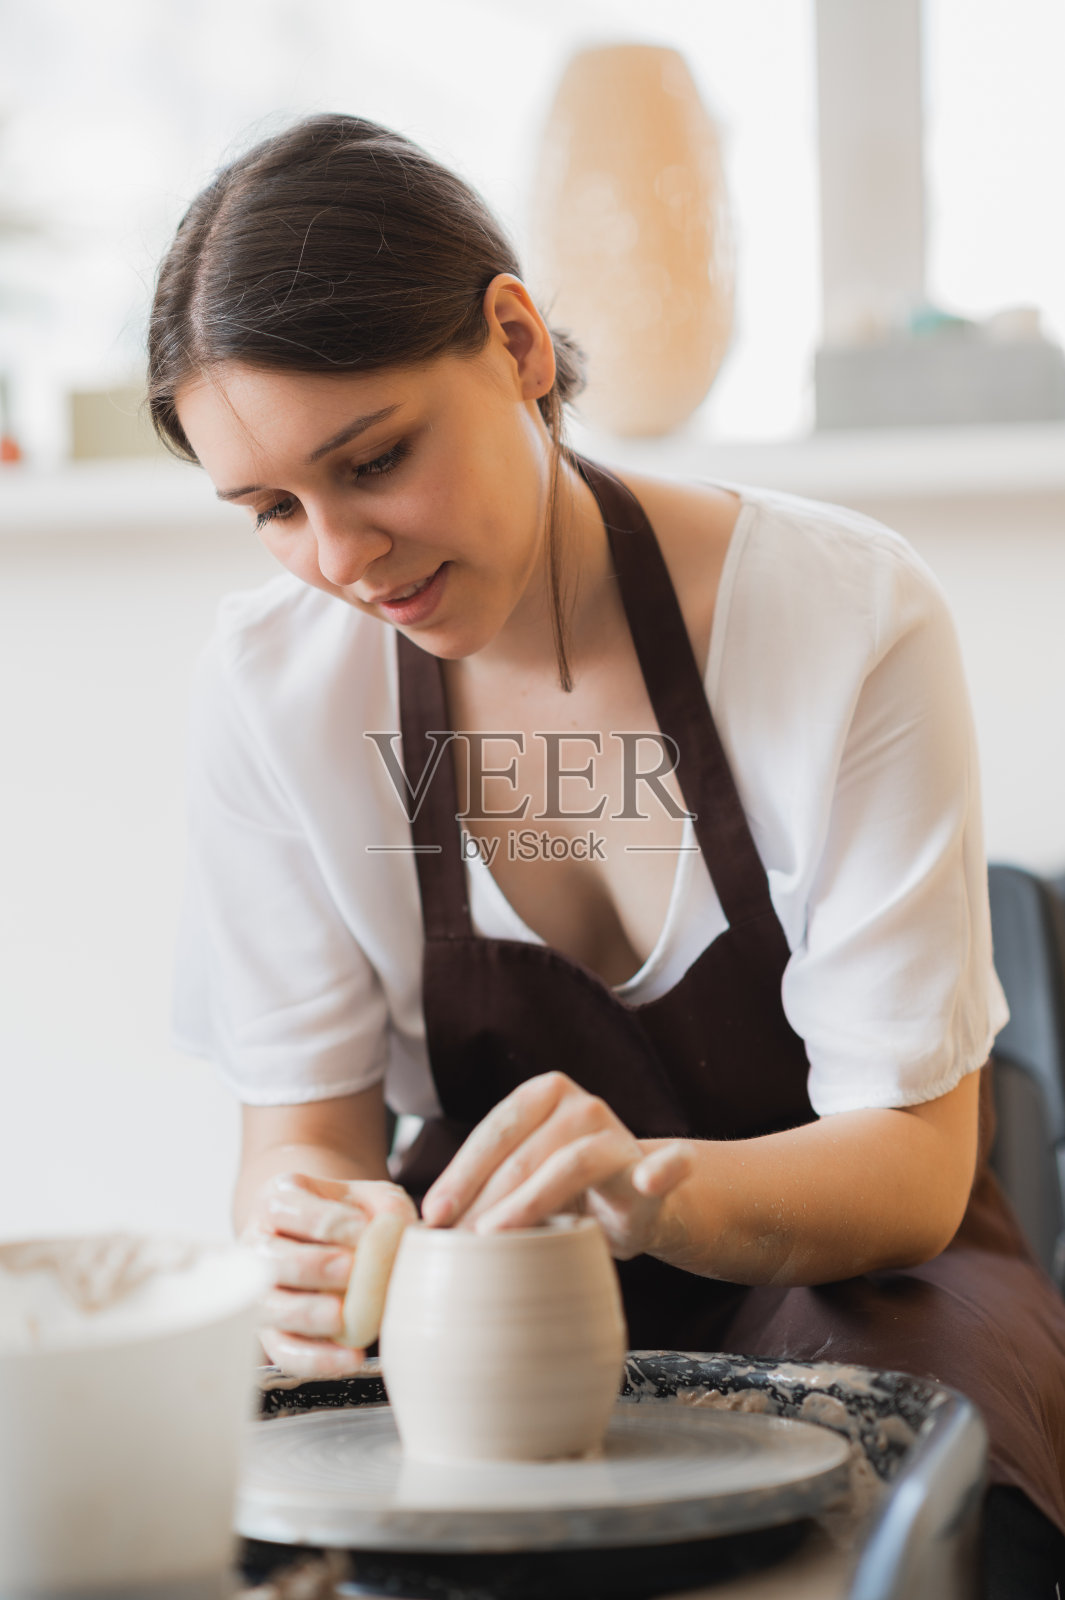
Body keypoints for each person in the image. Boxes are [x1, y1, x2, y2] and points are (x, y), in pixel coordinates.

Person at [152, 114, 1065, 1592]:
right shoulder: (272, 685)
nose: (339, 559)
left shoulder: (842, 616)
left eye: (373, 459)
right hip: (481, 1292)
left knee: (897, 1524)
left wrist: (653, 1192)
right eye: (270, 509)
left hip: (856, 1276)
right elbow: (298, 1146)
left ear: (514, 340)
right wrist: (313, 1247)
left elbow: (910, 1166)